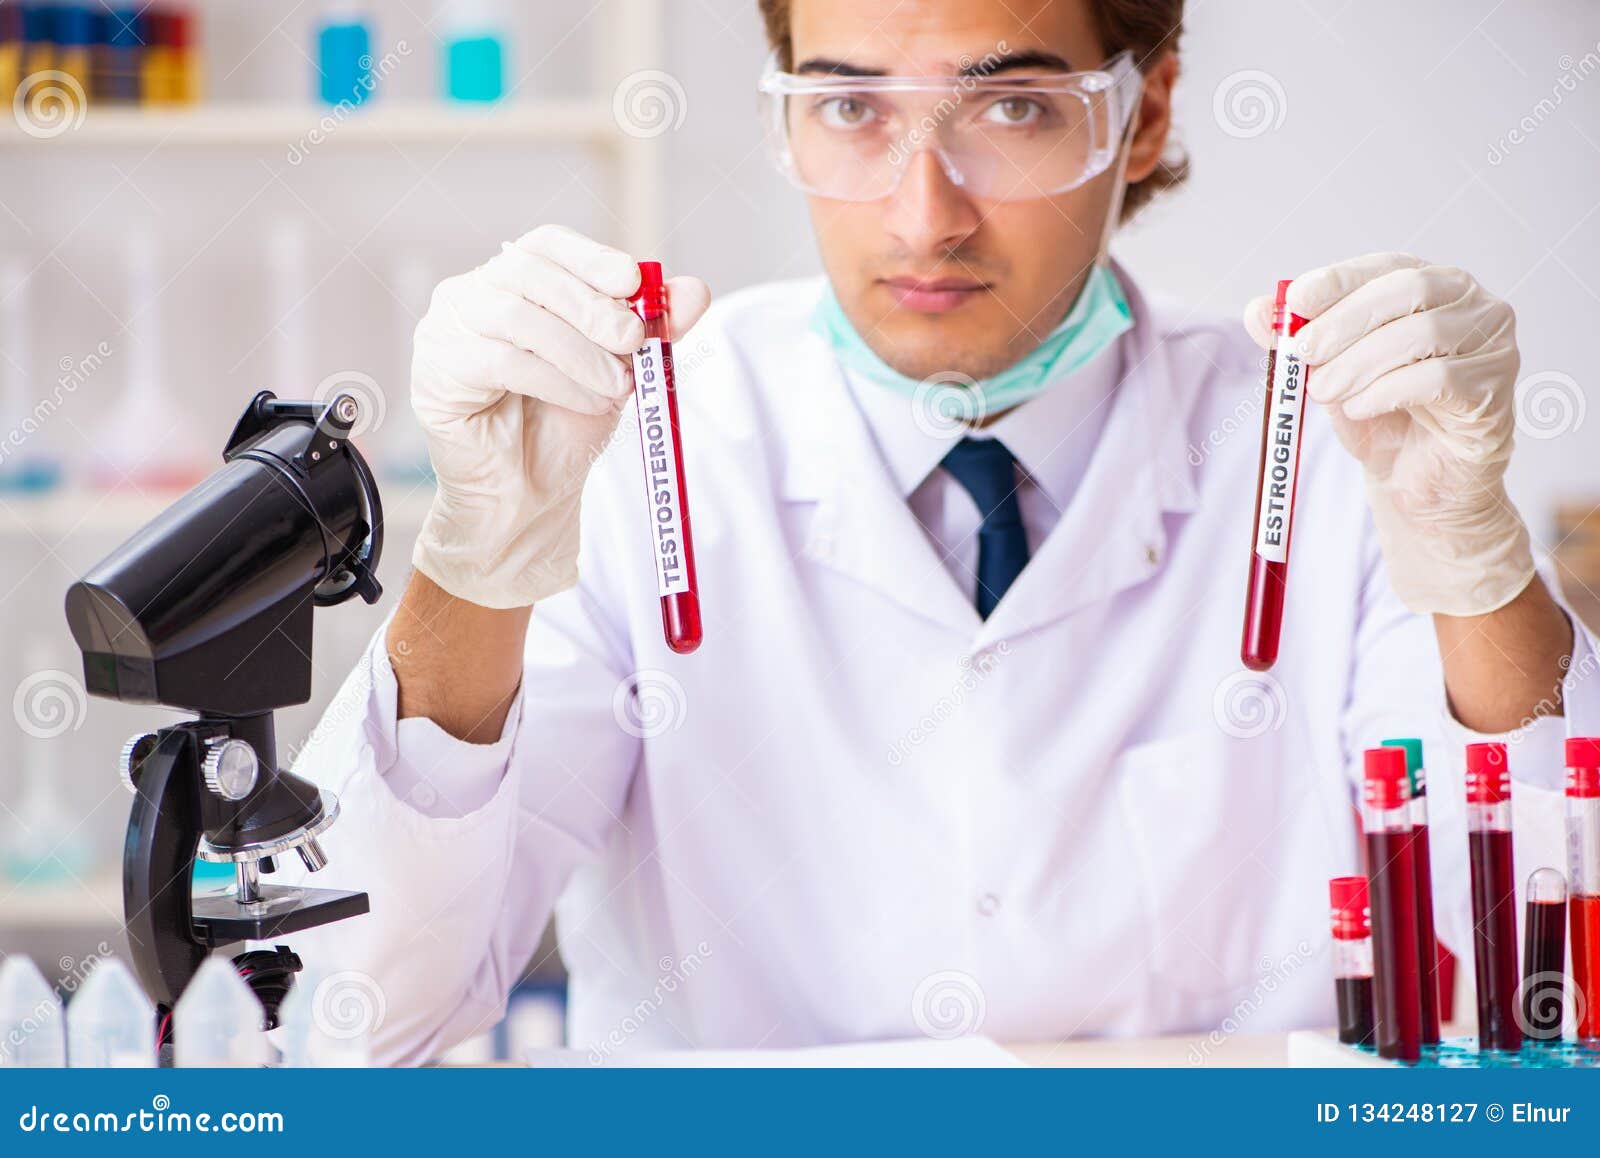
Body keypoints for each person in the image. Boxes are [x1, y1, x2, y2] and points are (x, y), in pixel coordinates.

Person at [280, 0, 1597, 1064]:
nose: (924, 214)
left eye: (1012, 108)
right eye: (850, 108)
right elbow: (353, 1017)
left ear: (1144, 114)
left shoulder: (1327, 443)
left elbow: (1541, 995)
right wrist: (478, 557)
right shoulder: (642, 441)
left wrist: (1472, 556)